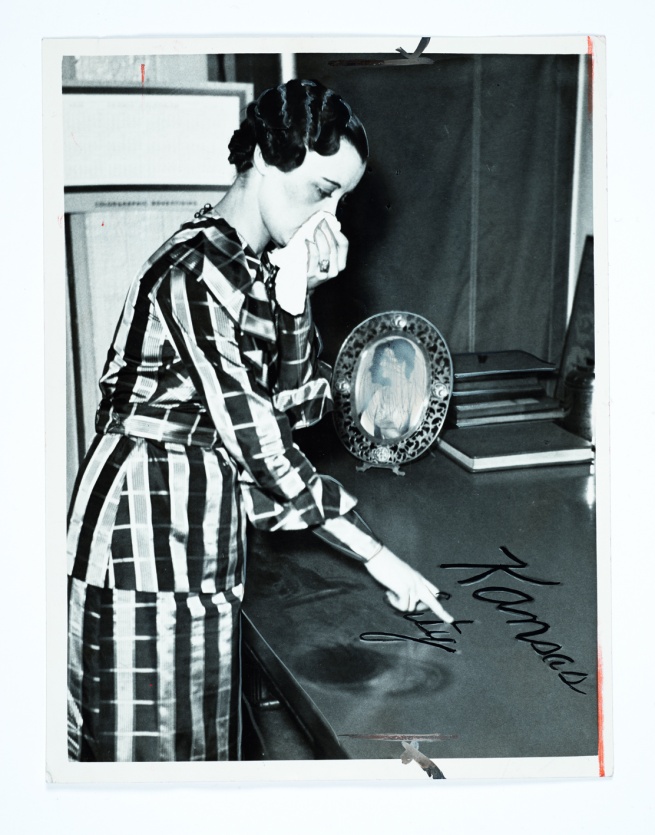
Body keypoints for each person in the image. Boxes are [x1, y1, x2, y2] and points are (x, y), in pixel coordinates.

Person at [66, 78, 452, 763]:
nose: (330, 219)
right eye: (321, 191)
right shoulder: (195, 272)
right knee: (149, 761)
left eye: (342, 200)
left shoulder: (249, 269)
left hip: (199, 527)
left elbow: (296, 407)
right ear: (267, 160)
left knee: (198, 749)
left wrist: (297, 299)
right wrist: (379, 556)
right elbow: (263, 446)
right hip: (141, 530)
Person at [359, 339, 427, 440]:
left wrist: (388, 431)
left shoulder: (416, 397)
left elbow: (414, 440)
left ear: (403, 364)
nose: (381, 363)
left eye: (386, 359)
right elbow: (363, 429)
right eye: (382, 358)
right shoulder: (379, 394)